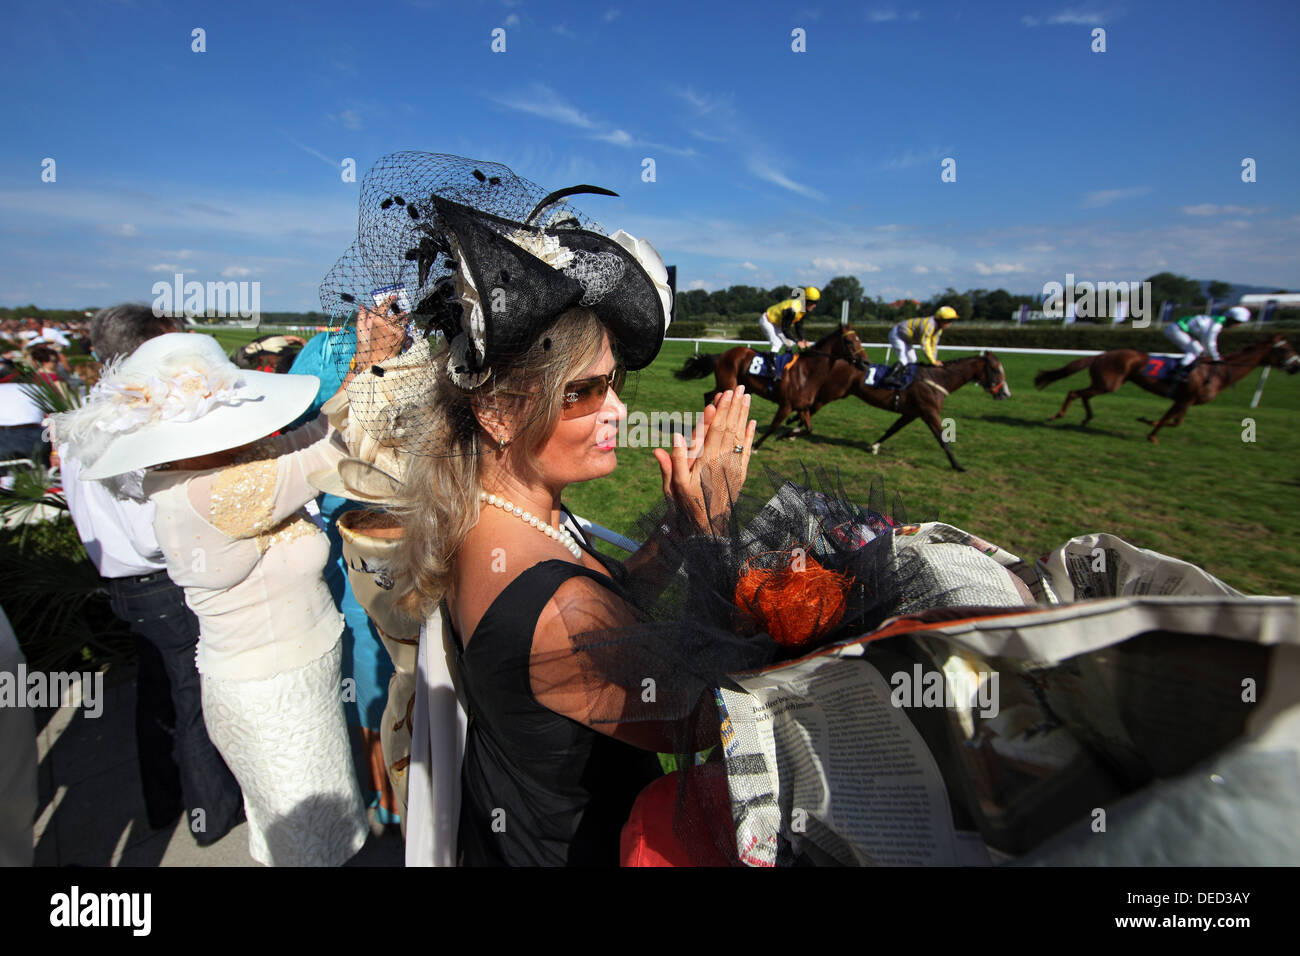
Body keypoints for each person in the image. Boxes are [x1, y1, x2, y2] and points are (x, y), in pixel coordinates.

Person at [316, 154, 751, 866]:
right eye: (584, 391)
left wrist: (672, 534)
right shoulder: (552, 608)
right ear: (495, 412)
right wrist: (712, 533)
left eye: (613, 384)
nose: (618, 409)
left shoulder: (489, 513)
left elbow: (608, 611)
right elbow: (700, 714)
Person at [50, 313, 401, 866]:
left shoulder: (222, 469)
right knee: (313, 842)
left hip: (288, 686)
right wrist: (376, 366)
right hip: (274, 700)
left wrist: (361, 366)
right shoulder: (218, 489)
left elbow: (310, 439)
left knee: (296, 836)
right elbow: (333, 451)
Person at [57, 304, 243, 845]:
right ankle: (212, 812)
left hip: (124, 585)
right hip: (158, 581)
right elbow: (149, 531)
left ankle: (162, 802)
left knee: (157, 696)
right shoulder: (128, 426)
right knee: (194, 700)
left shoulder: (84, 415)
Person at [1163, 305, 1251, 382]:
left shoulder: (1217, 322)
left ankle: (1182, 370)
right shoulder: (1216, 325)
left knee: (1199, 350)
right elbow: (1209, 343)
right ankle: (1176, 373)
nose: (1237, 326)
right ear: (1233, 320)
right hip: (1176, 329)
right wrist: (1216, 358)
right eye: (1238, 323)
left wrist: (1213, 356)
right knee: (1196, 350)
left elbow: (1207, 344)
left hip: (1178, 329)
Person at [881, 305, 957, 388]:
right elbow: (925, 344)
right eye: (949, 321)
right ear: (941, 319)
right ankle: (889, 377)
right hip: (897, 334)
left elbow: (933, 345)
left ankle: (904, 379)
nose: (950, 323)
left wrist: (934, 360)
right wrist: (933, 361)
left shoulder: (938, 329)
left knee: (913, 360)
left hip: (905, 338)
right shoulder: (929, 325)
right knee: (904, 359)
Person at [758, 287, 819, 354]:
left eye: (816, 302)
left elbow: (798, 326)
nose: (815, 305)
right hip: (767, 320)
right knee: (777, 343)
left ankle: (786, 362)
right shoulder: (793, 309)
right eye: (813, 303)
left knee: (789, 344)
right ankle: (769, 363)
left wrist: (803, 339)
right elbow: (785, 328)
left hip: (777, 323)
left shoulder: (803, 309)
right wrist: (797, 341)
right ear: (806, 301)